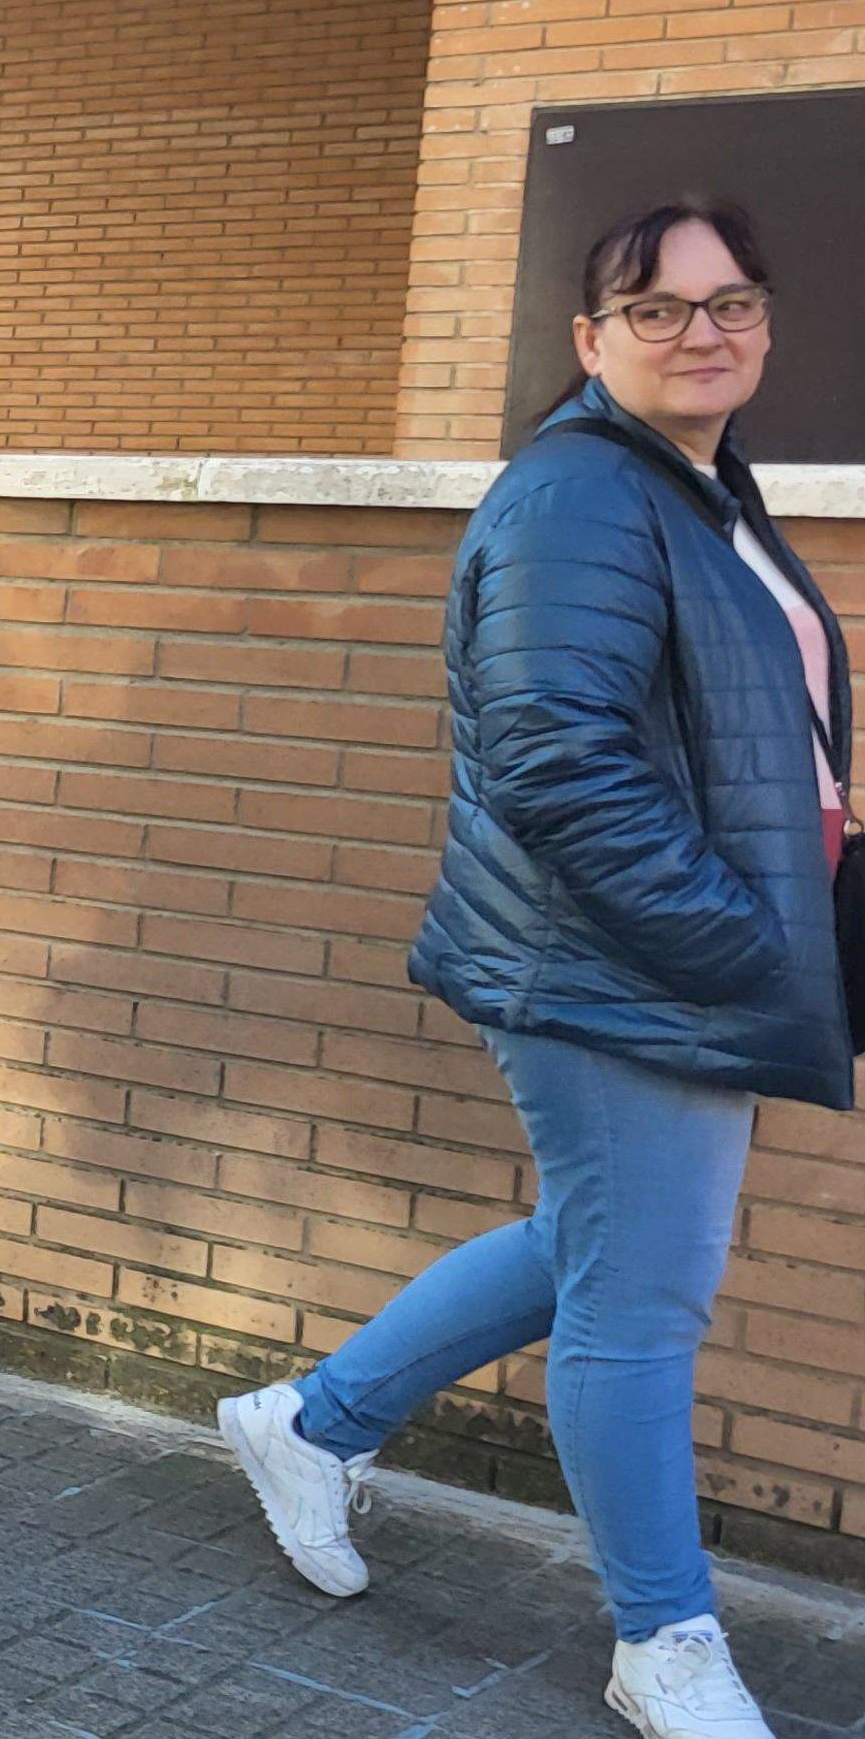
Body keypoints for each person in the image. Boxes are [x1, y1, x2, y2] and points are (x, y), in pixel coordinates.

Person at [218, 200, 819, 1739]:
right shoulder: (580, 499)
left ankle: (311, 1422)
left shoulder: (697, 486)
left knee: (592, 1245)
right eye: (661, 309)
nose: (705, 333)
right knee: (644, 1306)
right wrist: (742, 943)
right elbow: (560, 767)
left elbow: (716, 725)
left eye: (731, 303)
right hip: (619, 965)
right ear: (591, 337)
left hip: (667, 950)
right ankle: (664, 1641)